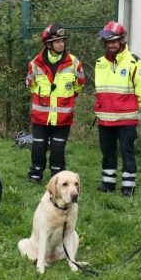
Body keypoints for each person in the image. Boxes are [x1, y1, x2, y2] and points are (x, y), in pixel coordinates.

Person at [93, 21, 141, 197]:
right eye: (108, 42)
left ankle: (128, 186)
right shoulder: (100, 62)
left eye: (114, 41)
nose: (111, 45)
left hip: (126, 118)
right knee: (107, 152)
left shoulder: (134, 62)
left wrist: (133, 108)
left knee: (127, 153)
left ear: (122, 41)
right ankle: (108, 184)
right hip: (105, 118)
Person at [25, 23, 85, 182]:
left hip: (63, 117)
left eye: (63, 41)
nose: (61, 44)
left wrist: (68, 98)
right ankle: (35, 174)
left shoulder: (74, 62)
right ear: (48, 43)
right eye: (57, 41)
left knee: (58, 149)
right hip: (41, 117)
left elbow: (79, 84)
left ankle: (58, 177)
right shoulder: (35, 64)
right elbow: (30, 85)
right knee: (38, 147)